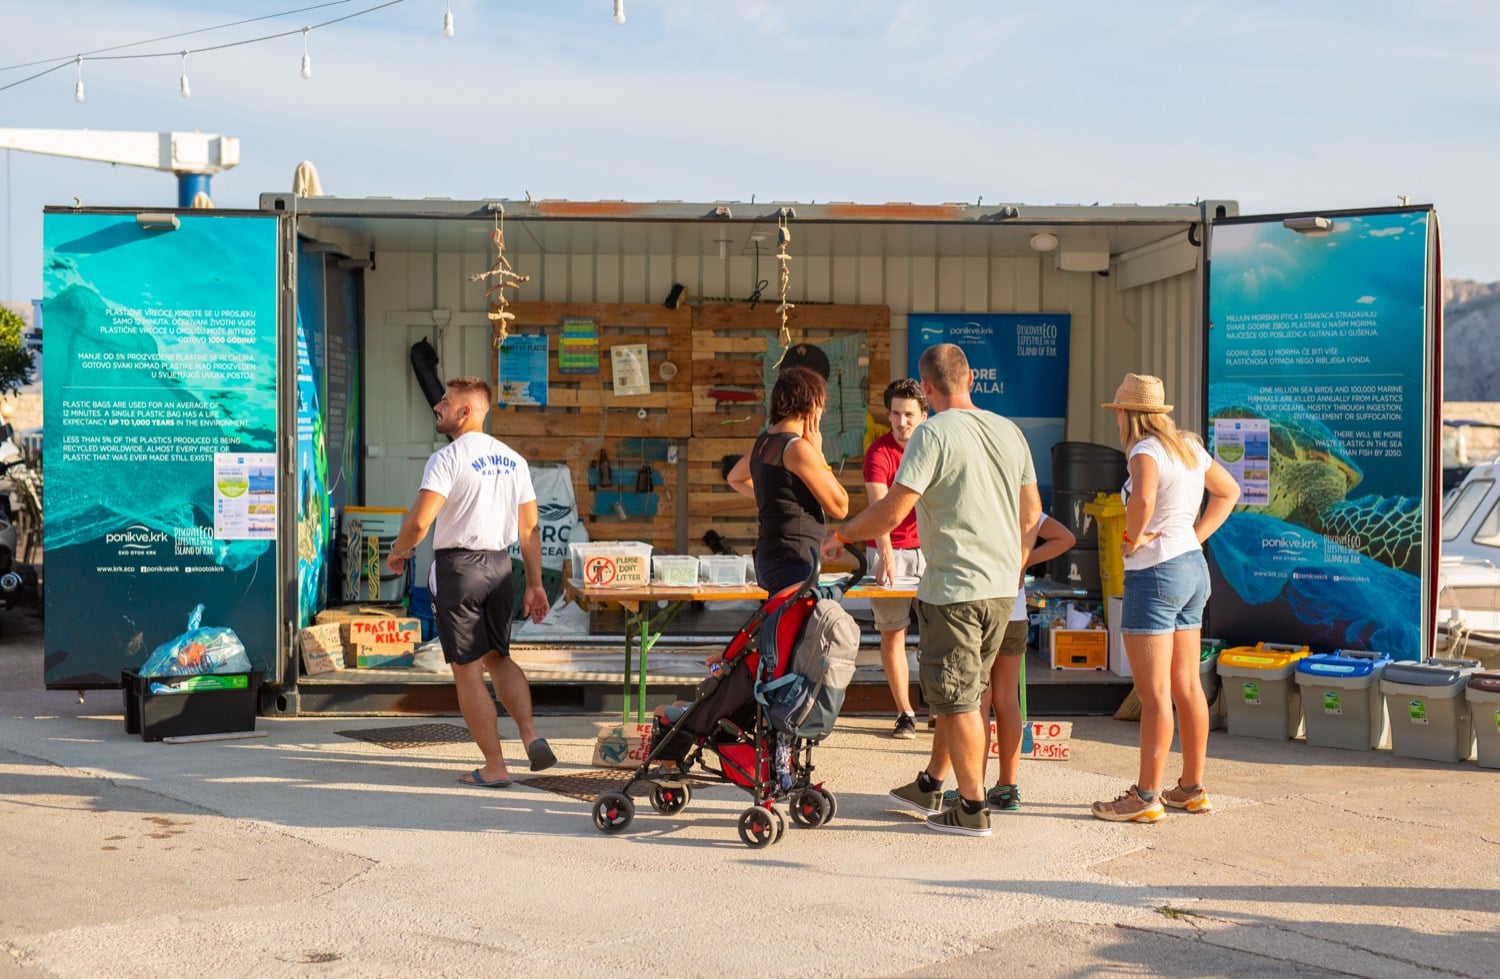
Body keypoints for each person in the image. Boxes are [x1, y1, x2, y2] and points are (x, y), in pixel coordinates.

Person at [824, 343, 1041, 837]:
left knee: (958, 699)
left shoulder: (932, 433)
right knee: (963, 693)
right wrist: (1013, 563)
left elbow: (893, 511)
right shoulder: (1009, 431)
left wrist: (842, 534)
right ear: (970, 378)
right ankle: (932, 783)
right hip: (1003, 591)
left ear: (925, 390)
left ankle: (970, 809)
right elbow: (1031, 515)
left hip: (954, 589)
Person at [386, 376, 558, 788]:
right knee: (499, 657)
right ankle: (530, 733)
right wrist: (534, 584)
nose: (437, 407)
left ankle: (495, 766)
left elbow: (420, 521)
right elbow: (530, 528)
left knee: (466, 672)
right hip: (500, 568)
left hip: (458, 569)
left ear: (466, 411)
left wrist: (399, 549)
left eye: (445, 402)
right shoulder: (513, 460)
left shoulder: (447, 458)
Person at [1091, 373, 1239, 822]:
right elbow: (1229, 491)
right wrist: (1194, 535)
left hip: (1154, 573)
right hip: (1193, 568)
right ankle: (1191, 788)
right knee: (1187, 685)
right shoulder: (1188, 446)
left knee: (1153, 694)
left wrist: (1133, 538)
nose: (1115, 416)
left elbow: (1144, 498)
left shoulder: (1143, 451)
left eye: (1116, 409)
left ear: (1127, 414)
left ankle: (1145, 796)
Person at [941, 512, 1074, 812]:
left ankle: (973, 787)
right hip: (1014, 612)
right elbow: (1066, 537)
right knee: (1007, 699)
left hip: (982, 610)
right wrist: (1024, 559)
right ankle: (1008, 787)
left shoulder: (983, 498)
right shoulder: (1024, 504)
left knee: (980, 702)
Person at [726, 366, 850, 595]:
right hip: (794, 561)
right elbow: (840, 506)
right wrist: (820, 455)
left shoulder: (766, 440)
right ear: (812, 405)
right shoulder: (797, 448)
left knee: (780, 627)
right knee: (797, 630)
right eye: (821, 404)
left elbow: (734, 477)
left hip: (769, 558)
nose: (822, 411)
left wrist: (773, 498)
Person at [862, 378, 930, 739]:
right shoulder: (878, 452)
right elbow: (878, 506)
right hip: (891, 550)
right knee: (894, 634)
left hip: (933, 552)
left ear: (923, 415)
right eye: (895, 414)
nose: (901, 422)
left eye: (908, 414)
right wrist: (885, 551)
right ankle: (905, 713)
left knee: (939, 633)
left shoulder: (934, 446)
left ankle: (939, 705)